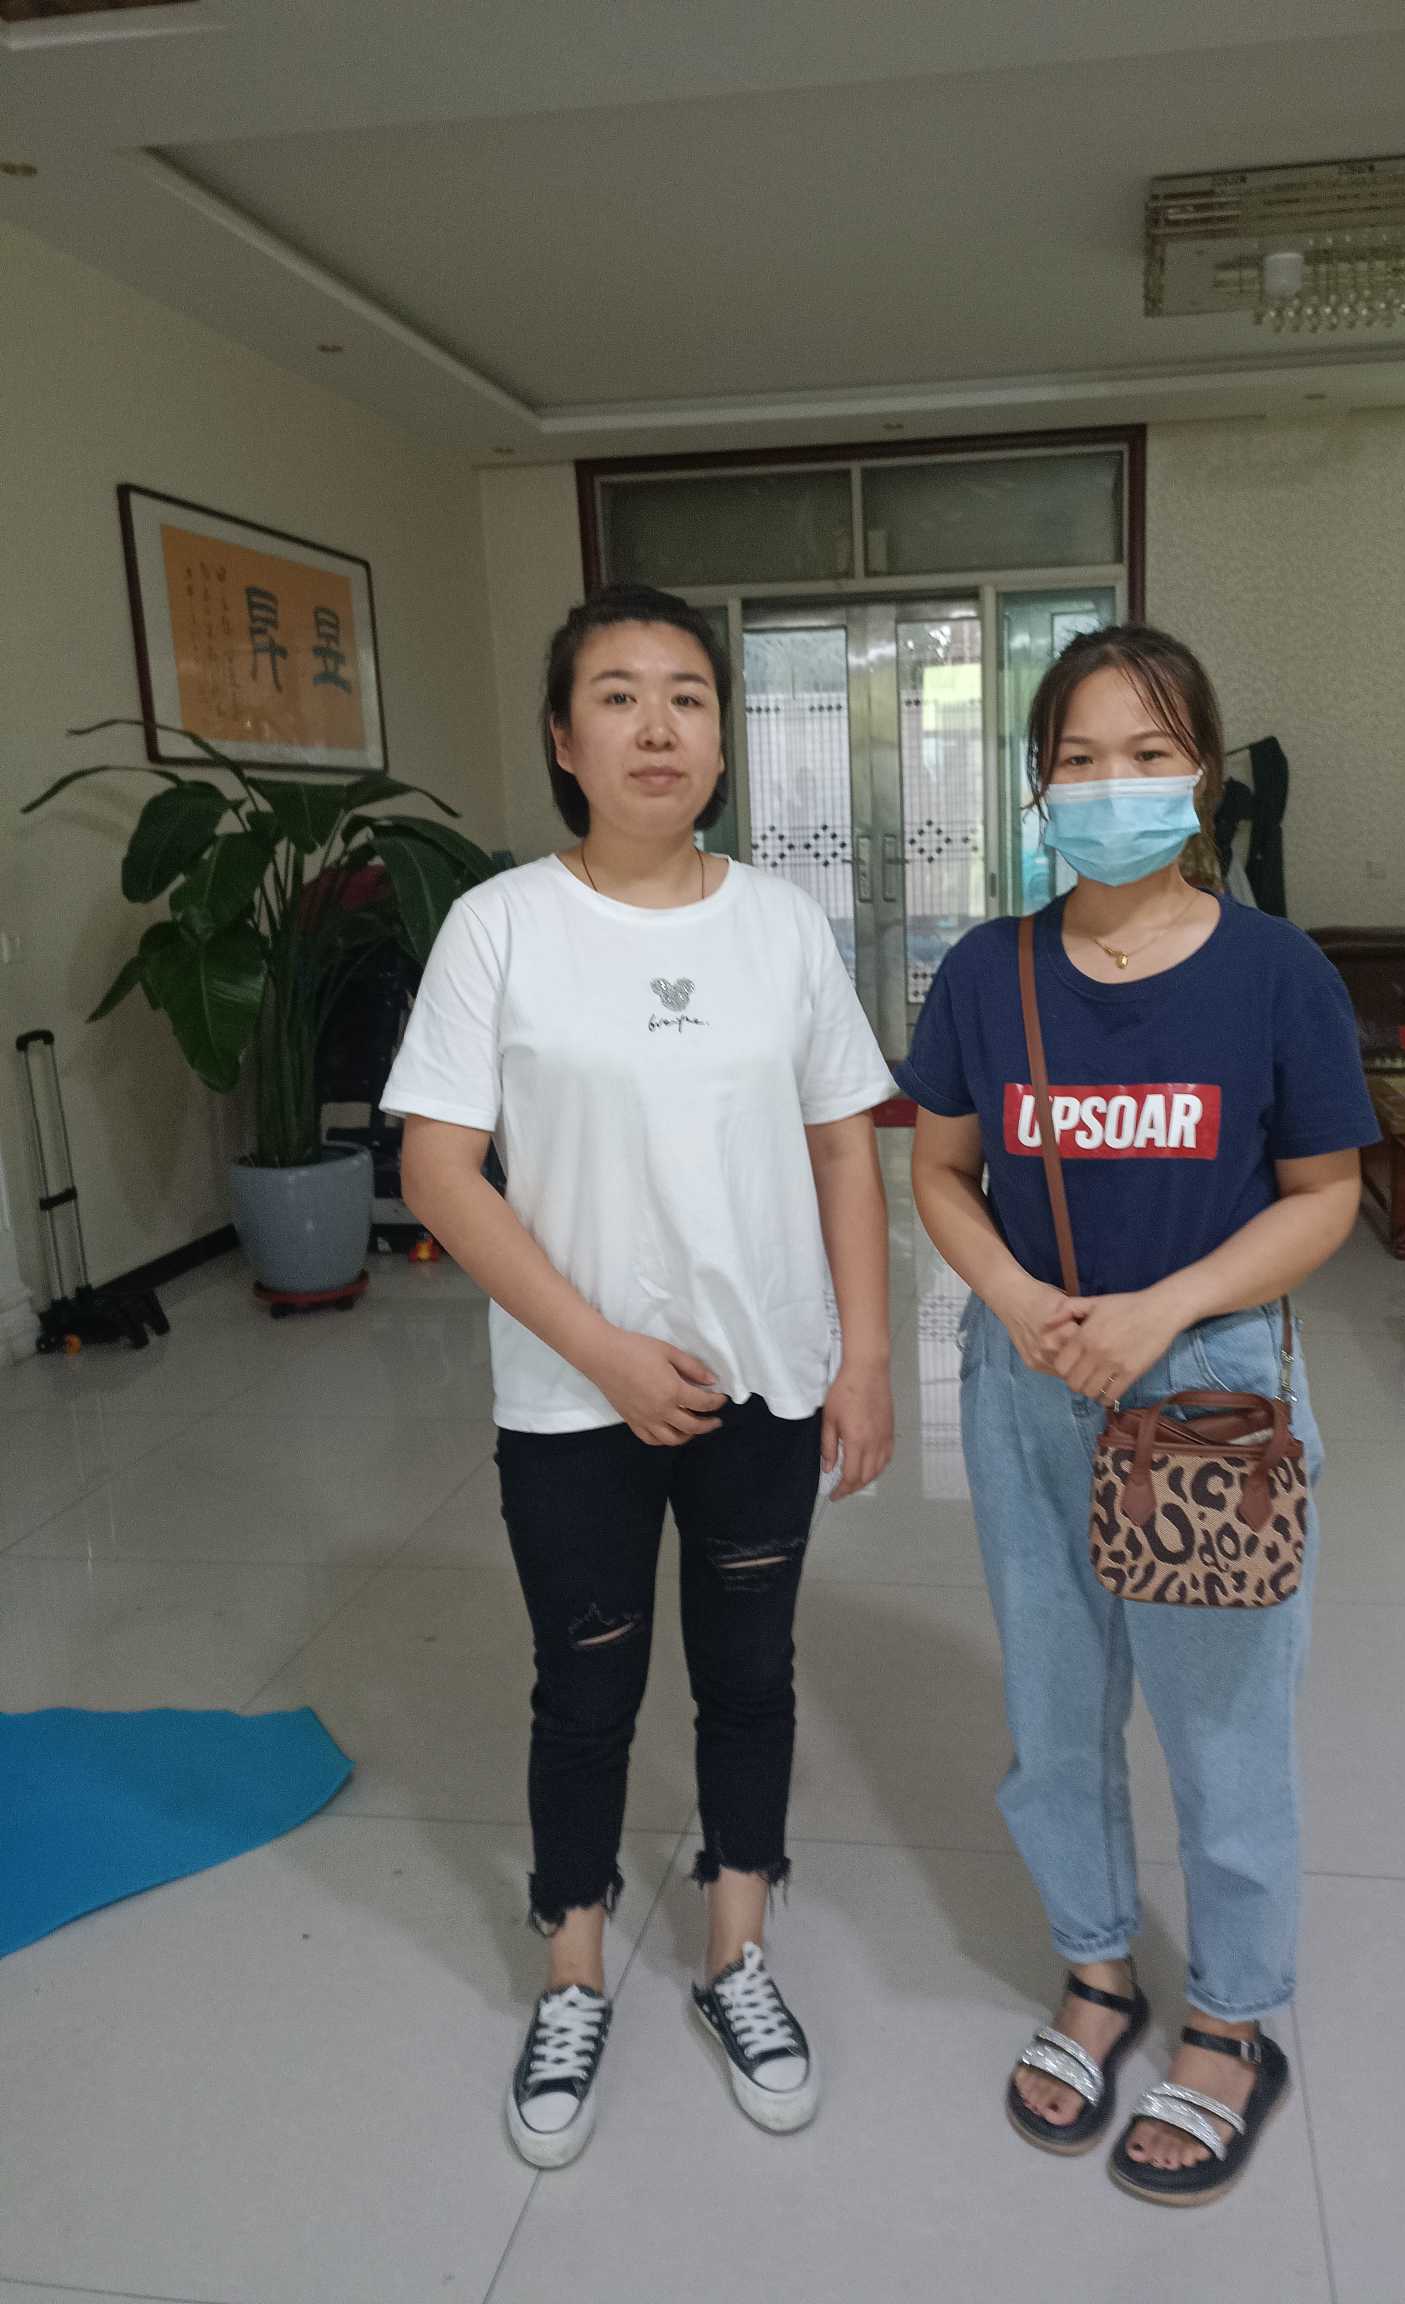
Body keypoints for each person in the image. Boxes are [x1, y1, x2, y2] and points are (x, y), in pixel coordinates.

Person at [386, 583, 897, 2168]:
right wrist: (602, 1350)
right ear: (564, 739)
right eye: (617, 695)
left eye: (688, 696)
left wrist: (867, 1357)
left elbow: (844, 1149)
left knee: (749, 1674)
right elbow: (440, 1169)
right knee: (586, 1685)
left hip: (764, 1385)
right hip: (570, 1398)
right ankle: (574, 1968)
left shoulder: (783, 925)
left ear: (725, 742)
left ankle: (738, 1953)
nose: (657, 726)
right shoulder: (500, 926)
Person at [900, 624, 1376, 2206]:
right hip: (1030, 1379)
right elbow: (941, 1170)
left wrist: (1165, 1309)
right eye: (1081, 759)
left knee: (1226, 1727)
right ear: (1040, 786)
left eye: (1150, 755)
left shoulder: (1275, 973)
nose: (1115, 786)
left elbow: (1323, 1197)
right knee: (1055, 1708)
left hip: (1207, 1391)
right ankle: (1098, 1970)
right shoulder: (990, 973)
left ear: (1204, 777)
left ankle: (1230, 2018)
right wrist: (1015, 1298)